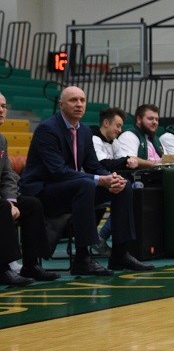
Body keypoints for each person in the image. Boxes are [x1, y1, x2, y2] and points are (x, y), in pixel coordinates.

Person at [19, 86, 153, 275]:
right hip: (43, 191)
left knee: (123, 185)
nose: (79, 104)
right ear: (61, 104)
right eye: (73, 100)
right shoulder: (46, 129)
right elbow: (58, 171)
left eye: (82, 100)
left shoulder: (84, 131)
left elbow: (93, 166)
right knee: (86, 183)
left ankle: (120, 254)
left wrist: (110, 177)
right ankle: (82, 258)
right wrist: (99, 179)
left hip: (73, 188)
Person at [0, 92, 60, 286]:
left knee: (32, 204)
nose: (2, 110)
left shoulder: (1, 140)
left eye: (4, 106)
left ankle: (31, 265)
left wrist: (11, 200)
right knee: (2, 208)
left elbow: (8, 175)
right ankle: (4, 268)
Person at [90, 106, 138, 256]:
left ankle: (116, 246)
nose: (120, 130)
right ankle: (105, 240)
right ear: (106, 123)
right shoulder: (94, 139)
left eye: (121, 126)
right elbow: (103, 165)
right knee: (127, 191)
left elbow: (123, 162)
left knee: (134, 191)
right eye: (118, 125)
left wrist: (129, 162)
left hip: (109, 184)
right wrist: (127, 161)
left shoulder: (114, 142)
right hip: (92, 185)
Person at [114, 104, 163, 169]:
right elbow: (129, 159)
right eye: (150, 119)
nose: (155, 122)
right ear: (139, 119)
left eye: (156, 119)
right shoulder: (129, 136)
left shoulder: (156, 139)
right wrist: (155, 164)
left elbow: (166, 160)